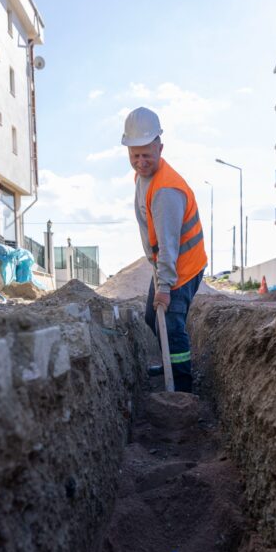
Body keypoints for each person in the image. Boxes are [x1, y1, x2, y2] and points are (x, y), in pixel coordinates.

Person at [122, 107, 208, 393]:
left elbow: (170, 244)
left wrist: (165, 285)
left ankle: (182, 387)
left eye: (147, 154)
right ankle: (171, 363)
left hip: (182, 267)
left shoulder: (166, 192)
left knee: (171, 325)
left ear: (160, 146)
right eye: (135, 155)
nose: (141, 162)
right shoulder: (143, 177)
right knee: (152, 317)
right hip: (166, 262)